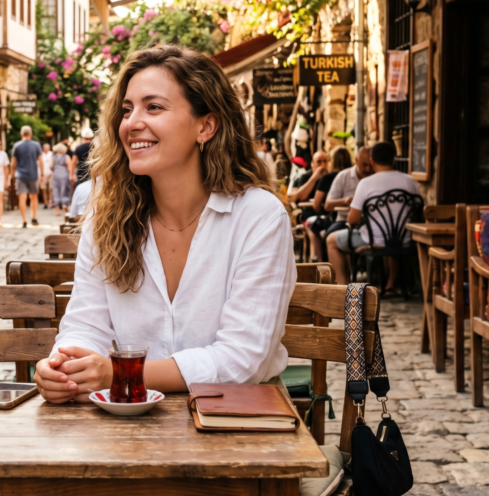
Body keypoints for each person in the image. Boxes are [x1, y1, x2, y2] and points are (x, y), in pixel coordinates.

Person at [32, 45, 295, 404]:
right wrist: (66, 365)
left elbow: (243, 358)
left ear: (206, 126)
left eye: (153, 107)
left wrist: (121, 373)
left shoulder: (258, 217)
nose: (131, 122)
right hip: (128, 427)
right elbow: (85, 323)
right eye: (127, 110)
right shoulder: (107, 216)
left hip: (235, 423)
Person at [326, 141, 420, 290]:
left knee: (331, 240)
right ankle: (390, 285)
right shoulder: (411, 182)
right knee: (392, 237)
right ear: (394, 160)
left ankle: (342, 288)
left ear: (372, 161)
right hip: (404, 239)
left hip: (372, 239)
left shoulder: (366, 183)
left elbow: (352, 219)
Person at [302, 146, 352, 262]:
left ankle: (320, 261)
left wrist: (324, 208)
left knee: (311, 223)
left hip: (336, 219)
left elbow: (316, 205)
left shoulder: (328, 177)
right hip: (354, 217)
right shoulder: (353, 176)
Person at [9, 126, 44, 228]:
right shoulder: (36, 145)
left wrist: (12, 175)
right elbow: (40, 161)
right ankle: (33, 217)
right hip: (33, 174)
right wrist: (41, 174)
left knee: (22, 198)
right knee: (34, 197)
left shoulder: (17, 146)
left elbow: (13, 163)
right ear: (31, 134)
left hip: (20, 175)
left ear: (21, 134)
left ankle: (24, 220)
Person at [325, 146, 374, 219]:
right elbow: (327, 205)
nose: (368, 169)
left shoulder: (376, 176)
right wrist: (345, 201)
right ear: (356, 161)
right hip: (344, 221)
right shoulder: (343, 176)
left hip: (371, 221)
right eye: (364, 165)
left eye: (371, 165)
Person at [50, 143, 73, 214]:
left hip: (55, 175)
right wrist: (71, 175)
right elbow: (70, 167)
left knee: (56, 191)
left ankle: (57, 210)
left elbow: (51, 166)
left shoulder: (53, 157)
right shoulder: (66, 157)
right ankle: (64, 206)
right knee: (64, 190)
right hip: (64, 175)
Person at [40, 143, 54, 209]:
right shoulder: (40, 154)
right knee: (44, 189)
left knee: (50, 189)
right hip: (43, 174)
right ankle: (45, 203)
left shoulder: (51, 154)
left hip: (50, 174)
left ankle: (50, 202)